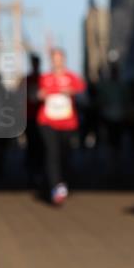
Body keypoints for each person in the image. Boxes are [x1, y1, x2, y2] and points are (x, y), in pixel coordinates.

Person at [37, 48, 86, 205]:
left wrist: (72, 91)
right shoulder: (44, 77)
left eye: (59, 58)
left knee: (65, 154)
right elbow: (35, 94)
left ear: (64, 59)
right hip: (47, 121)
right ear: (51, 60)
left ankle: (61, 182)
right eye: (54, 58)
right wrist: (40, 95)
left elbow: (84, 93)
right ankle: (55, 187)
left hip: (67, 122)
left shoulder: (72, 77)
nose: (57, 61)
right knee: (52, 152)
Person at [19, 54, 44, 187]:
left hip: (41, 118)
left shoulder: (43, 79)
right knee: (32, 146)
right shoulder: (27, 80)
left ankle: (37, 171)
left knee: (39, 146)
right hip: (29, 117)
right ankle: (32, 172)